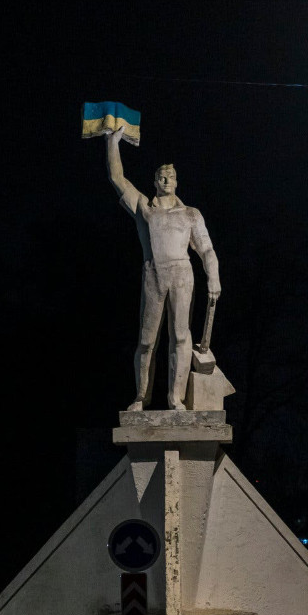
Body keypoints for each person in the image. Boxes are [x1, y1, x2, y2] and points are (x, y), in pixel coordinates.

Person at [106, 126, 220, 411]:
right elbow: (117, 179)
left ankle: (175, 398)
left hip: (182, 274)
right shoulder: (146, 209)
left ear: (177, 182)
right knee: (146, 341)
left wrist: (214, 275)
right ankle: (141, 397)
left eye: (171, 176)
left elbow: (206, 249)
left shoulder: (191, 214)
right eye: (161, 176)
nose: (166, 179)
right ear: (155, 181)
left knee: (181, 337)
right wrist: (112, 143)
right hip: (153, 273)